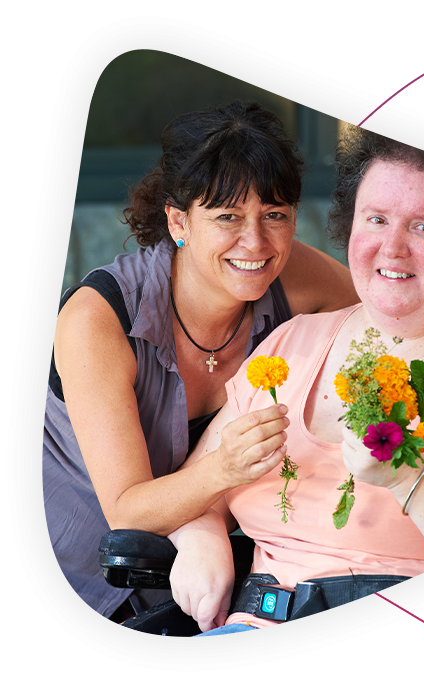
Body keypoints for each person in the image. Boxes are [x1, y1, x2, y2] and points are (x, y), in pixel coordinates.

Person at [166, 128, 424, 635]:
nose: (392, 248)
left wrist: (411, 482)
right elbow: (200, 486)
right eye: (376, 220)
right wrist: (201, 536)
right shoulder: (293, 343)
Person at [44, 100, 361, 620]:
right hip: (90, 573)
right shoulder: (98, 319)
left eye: (275, 215)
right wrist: (224, 469)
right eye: (227, 217)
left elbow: (393, 314)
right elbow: (128, 510)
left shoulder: (290, 274)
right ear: (178, 221)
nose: (255, 242)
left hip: (216, 571)